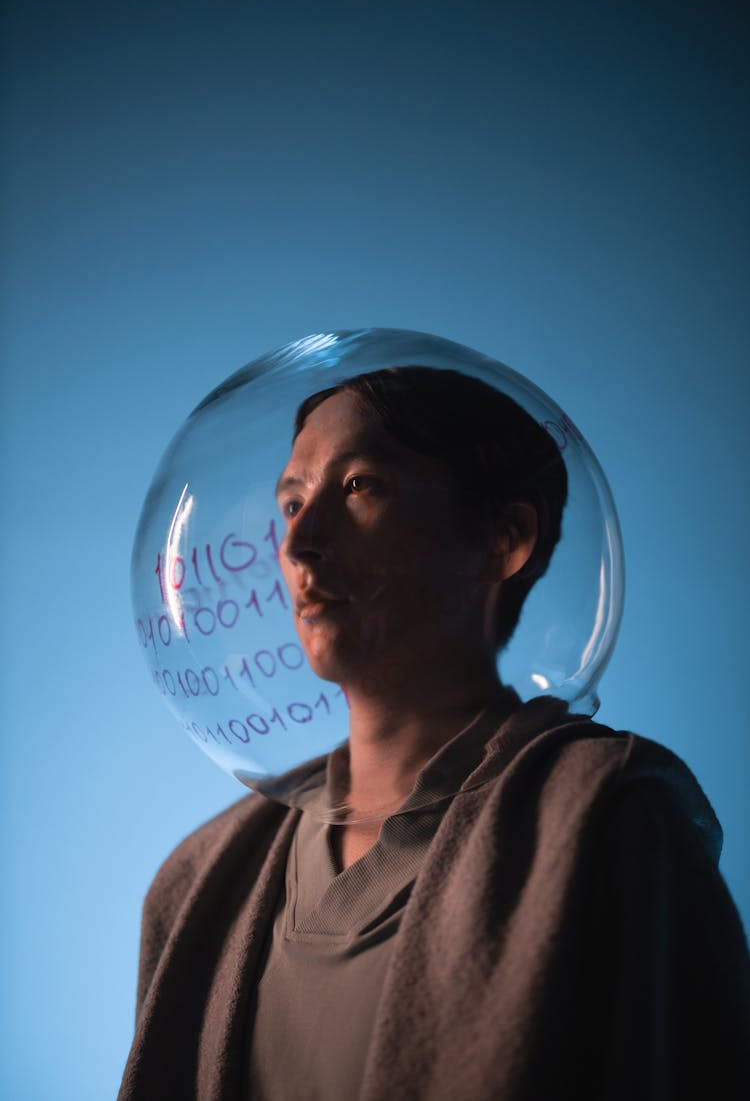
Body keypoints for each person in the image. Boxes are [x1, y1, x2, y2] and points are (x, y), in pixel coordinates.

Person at [119, 367, 750, 1101]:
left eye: (360, 486)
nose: (299, 542)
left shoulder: (612, 820)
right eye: (291, 500)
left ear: (504, 538)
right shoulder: (197, 881)